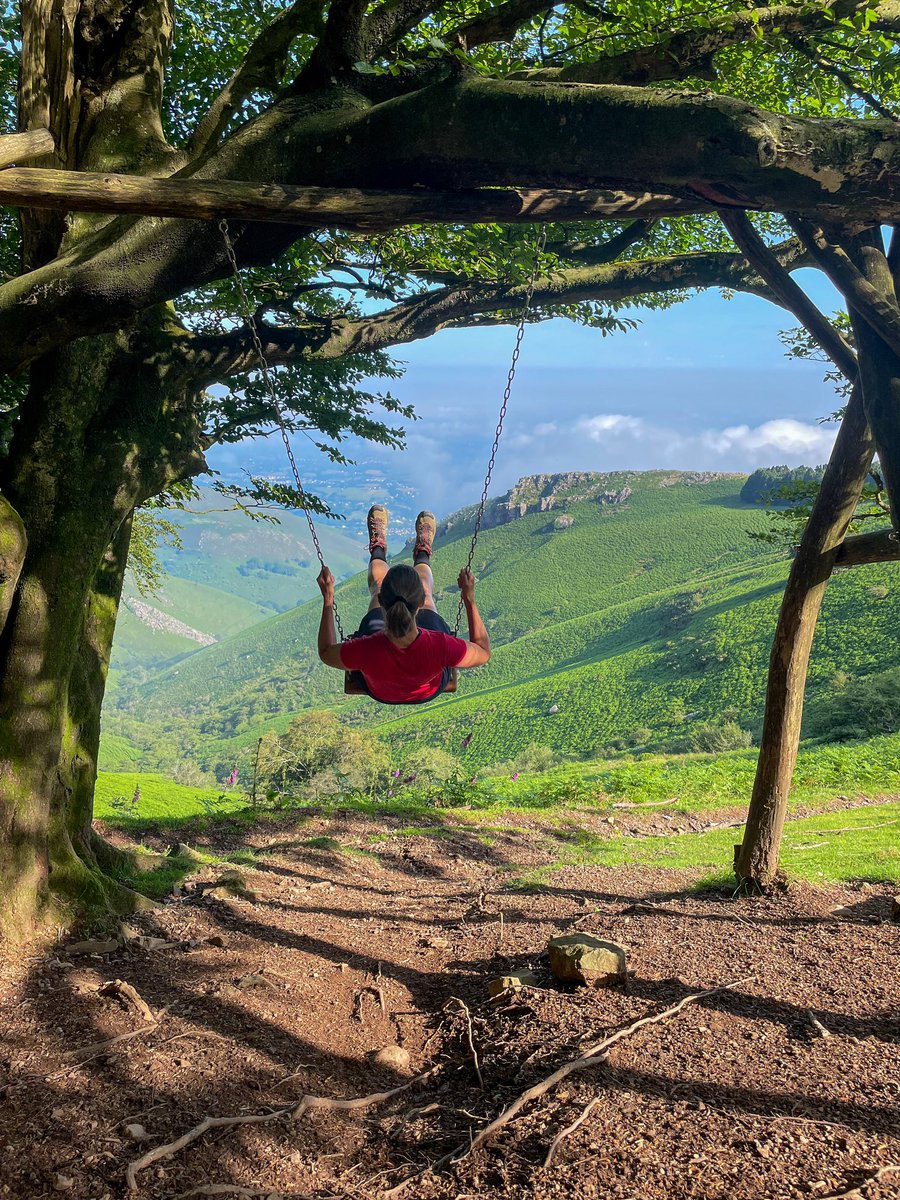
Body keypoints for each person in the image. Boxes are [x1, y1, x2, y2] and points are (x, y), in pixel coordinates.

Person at [316, 506, 490, 704]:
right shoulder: (441, 646)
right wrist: (469, 598)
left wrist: (328, 599)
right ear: (419, 605)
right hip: (427, 690)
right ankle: (423, 551)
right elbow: (483, 652)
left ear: (382, 603)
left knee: (378, 585)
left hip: (380, 691)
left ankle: (378, 547)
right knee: (425, 588)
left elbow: (326, 651)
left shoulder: (365, 650)